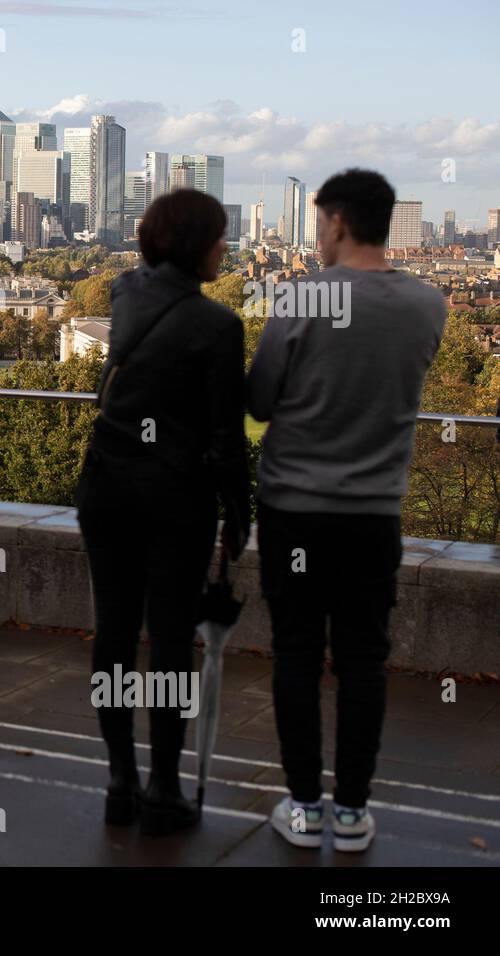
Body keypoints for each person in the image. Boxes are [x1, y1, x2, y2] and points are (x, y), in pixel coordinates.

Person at [247, 169, 445, 853]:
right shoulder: (429, 305)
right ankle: (353, 812)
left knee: (296, 654)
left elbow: (261, 400)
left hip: (295, 509)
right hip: (373, 512)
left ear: (335, 223)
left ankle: (304, 807)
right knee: (364, 659)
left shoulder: (304, 296)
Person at [75, 189, 251, 836]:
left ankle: (120, 783)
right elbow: (228, 439)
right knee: (172, 643)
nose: (226, 250)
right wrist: (239, 512)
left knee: (114, 636)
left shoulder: (124, 293)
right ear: (195, 245)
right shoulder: (219, 328)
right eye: (219, 238)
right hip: (174, 497)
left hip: (106, 487)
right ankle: (164, 789)